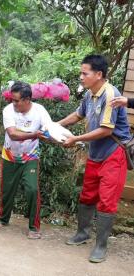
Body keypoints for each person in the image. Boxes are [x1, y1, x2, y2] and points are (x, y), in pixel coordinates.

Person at [59, 55, 131, 263]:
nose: (81, 77)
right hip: (96, 153)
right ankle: (83, 233)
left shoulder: (110, 95)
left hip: (114, 153)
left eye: (85, 73)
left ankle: (101, 246)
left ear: (98, 74)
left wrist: (75, 139)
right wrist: (56, 124)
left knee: (107, 201)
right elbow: (78, 115)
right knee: (88, 195)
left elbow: (106, 130)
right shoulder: (90, 94)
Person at [0, 81, 51, 238]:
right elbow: (12, 134)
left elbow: (49, 129)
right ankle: (3, 219)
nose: (14, 103)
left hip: (30, 156)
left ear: (27, 99)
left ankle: (33, 227)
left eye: (17, 100)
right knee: (7, 190)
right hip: (10, 156)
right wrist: (35, 134)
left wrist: (56, 137)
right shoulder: (8, 110)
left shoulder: (39, 111)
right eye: (12, 99)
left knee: (32, 189)